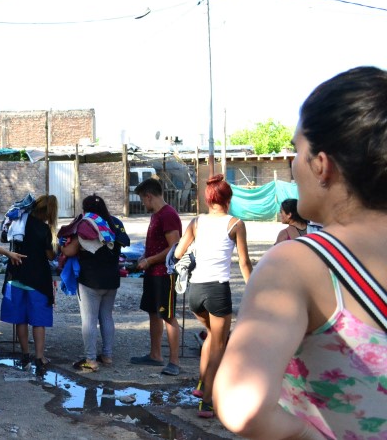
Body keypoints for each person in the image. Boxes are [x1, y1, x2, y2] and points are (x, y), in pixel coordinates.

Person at [214, 66, 387, 439]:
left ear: (322, 165)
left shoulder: (298, 265)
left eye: (297, 149)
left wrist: (306, 434)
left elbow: (242, 405)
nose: (293, 163)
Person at [172, 175, 252, 418]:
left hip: (195, 290)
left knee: (211, 336)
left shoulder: (196, 222)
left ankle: (200, 384)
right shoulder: (235, 224)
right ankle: (207, 401)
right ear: (228, 199)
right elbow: (245, 263)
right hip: (218, 290)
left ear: (208, 199)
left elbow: (177, 253)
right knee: (220, 342)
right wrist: (254, 289)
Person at [64, 194, 130, 373]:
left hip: (90, 280)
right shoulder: (114, 223)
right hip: (111, 279)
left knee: (89, 320)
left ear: (85, 210)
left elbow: (70, 251)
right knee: (107, 316)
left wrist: (61, 248)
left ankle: (91, 360)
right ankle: (107, 356)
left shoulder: (85, 224)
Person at [0, 195, 58, 376]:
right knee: (38, 320)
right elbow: (50, 256)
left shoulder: (18, 223)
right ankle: (39, 357)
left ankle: (25, 354)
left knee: (21, 318)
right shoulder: (44, 229)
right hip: (37, 279)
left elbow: (4, 239)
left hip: (15, 275)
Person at [131, 177, 183, 375]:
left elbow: (174, 248)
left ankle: (175, 361)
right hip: (153, 272)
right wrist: (146, 257)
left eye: (143, 200)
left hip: (165, 274)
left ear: (149, 196)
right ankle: (155, 355)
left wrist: (151, 260)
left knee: (167, 316)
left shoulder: (168, 215)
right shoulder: (157, 214)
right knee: (153, 313)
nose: (143, 204)